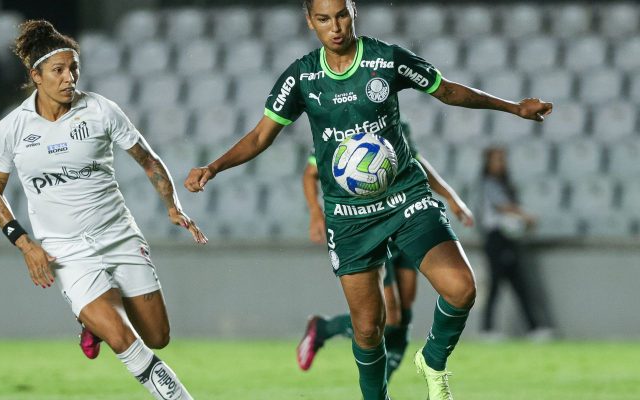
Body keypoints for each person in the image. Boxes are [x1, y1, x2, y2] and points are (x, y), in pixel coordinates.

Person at [184, 1, 552, 399]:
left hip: (404, 197)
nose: (335, 27)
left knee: (461, 288)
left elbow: (445, 90)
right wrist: (214, 166)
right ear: (310, 21)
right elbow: (259, 137)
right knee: (368, 327)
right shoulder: (302, 77)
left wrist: (513, 107)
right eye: (323, 19)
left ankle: (432, 360)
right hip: (349, 217)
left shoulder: (386, 60)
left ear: (353, 12)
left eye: (341, 15)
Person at [0, 20, 207, 400]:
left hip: (118, 234)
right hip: (66, 249)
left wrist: (173, 206)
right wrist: (25, 245)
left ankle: (94, 323)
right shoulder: (12, 129)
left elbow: (149, 161)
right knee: (123, 338)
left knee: (158, 336)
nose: (69, 78)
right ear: (36, 75)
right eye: (58, 70)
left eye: (74, 69)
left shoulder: (100, 110)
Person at [297, 121, 475, 383]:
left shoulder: (394, 123)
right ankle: (325, 328)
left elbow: (416, 162)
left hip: (407, 214)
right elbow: (310, 173)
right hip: (371, 224)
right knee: (390, 316)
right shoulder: (336, 128)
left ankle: (384, 384)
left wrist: (451, 197)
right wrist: (315, 212)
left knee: (404, 308)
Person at [479, 146, 553, 340]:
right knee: (495, 284)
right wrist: (525, 216)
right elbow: (503, 207)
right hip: (496, 238)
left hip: (509, 238)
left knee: (520, 284)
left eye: (503, 159)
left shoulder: (505, 184)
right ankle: (487, 329)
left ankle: (534, 328)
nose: (501, 164)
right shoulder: (488, 184)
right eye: (497, 160)